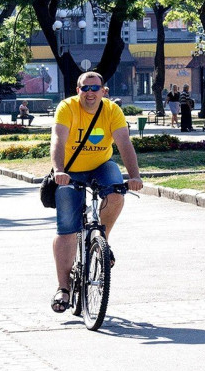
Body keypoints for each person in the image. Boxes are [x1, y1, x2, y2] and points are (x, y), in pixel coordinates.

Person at [50, 71, 143, 313]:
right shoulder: (67, 108)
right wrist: (59, 170)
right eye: (85, 88)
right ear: (78, 90)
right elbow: (58, 139)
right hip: (70, 170)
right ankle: (63, 288)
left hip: (101, 165)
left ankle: (103, 240)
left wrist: (134, 176)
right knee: (67, 228)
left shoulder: (112, 110)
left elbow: (124, 142)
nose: (90, 93)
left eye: (95, 88)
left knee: (116, 193)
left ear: (103, 91)